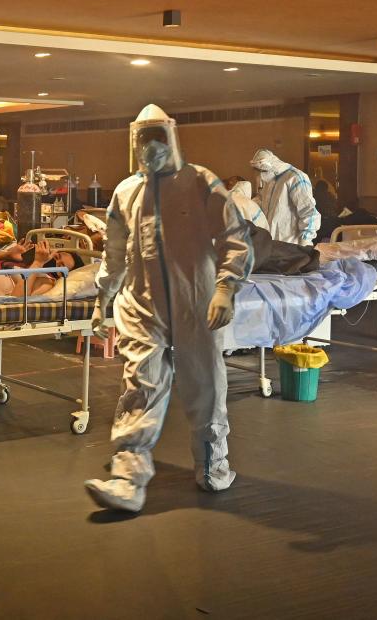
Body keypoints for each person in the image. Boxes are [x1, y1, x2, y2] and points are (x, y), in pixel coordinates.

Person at [84, 105, 252, 513]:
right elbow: (115, 251)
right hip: (142, 305)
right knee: (140, 386)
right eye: (144, 139)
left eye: (158, 137)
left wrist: (225, 289)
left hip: (196, 302)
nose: (151, 147)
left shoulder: (200, 183)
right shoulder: (127, 193)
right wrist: (103, 296)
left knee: (205, 385)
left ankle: (213, 464)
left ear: (171, 137)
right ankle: (128, 478)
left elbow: (234, 236)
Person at [249, 149, 319, 246]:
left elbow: (308, 211)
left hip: (292, 244)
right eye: (258, 171)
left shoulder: (295, 178)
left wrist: (305, 241)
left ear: (272, 164)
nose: (261, 174)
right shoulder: (269, 181)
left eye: (263, 170)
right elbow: (261, 202)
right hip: (271, 243)